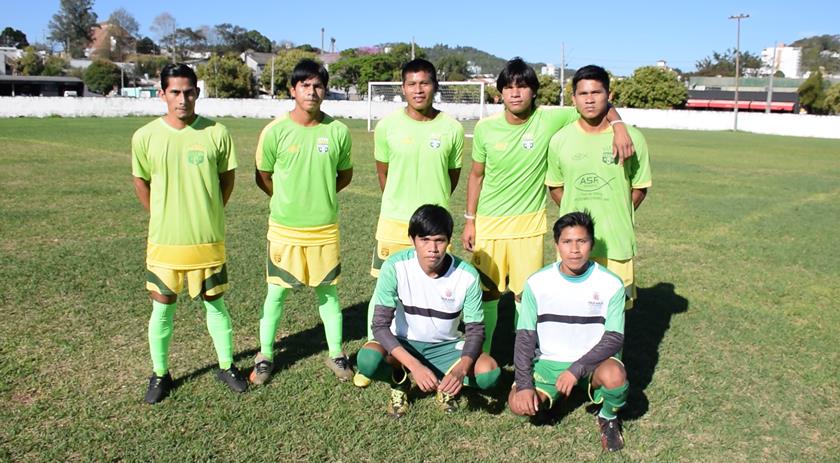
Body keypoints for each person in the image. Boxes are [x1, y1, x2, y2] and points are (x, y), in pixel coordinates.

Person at [462, 57, 635, 353]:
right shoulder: (485, 128)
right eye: (509, 87)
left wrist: (618, 125)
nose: (516, 93)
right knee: (485, 295)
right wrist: (470, 219)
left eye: (523, 86)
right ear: (499, 93)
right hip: (489, 226)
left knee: (524, 298)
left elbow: (594, 102)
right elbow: (476, 175)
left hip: (528, 228)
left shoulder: (550, 119)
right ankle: (479, 357)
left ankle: (524, 359)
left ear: (534, 91)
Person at [132, 63, 245, 404]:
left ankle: (226, 366)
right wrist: (162, 214)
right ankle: (160, 373)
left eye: (189, 92)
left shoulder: (217, 133)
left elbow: (227, 180)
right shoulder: (145, 136)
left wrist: (208, 210)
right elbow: (141, 181)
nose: (183, 99)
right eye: (175, 92)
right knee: (163, 308)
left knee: (216, 304)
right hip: (165, 242)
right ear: (162, 93)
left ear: (198, 92)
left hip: (207, 241)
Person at [354, 58, 464, 387]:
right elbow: (383, 173)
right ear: (402, 88)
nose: (418, 89)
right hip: (393, 222)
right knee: (383, 292)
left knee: (434, 290)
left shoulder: (452, 128)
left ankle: (437, 349)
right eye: (412, 84)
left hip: (433, 230)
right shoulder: (388, 126)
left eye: (425, 83)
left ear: (435, 86)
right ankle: (373, 352)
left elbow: (452, 177)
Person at [250, 59, 354, 385]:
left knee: (329, 295)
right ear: (293, 90)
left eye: (318, 85)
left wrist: (317, 197)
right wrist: (288, 199)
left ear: (325, 90)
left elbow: (344, 175)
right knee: (276, 294)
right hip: (285, 229)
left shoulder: (337, 131)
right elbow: (262, 176)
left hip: (324, 228)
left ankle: (336, 352)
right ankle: (265, 354)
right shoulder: (275, 131)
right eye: (305, 85)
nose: (312, 91)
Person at [356, 205, 500, 417]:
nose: (432, 248)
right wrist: (414, 367)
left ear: (448, 241)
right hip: (403, 343)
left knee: (490, 373)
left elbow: (476, 331)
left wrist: (460, 371)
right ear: (412, 239)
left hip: (445, 346)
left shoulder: (467, 276)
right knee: (368, 360)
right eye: (424, 240)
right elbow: (379, 326)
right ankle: (400, 381)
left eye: (439, 240)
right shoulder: (395, 266)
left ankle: (445, 382)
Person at [509, 211, 629, 452]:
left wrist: (576, 369)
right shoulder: (537, 283)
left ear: (591, 244)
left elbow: (614, 337)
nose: (575, 249)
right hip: (549, 362)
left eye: (581, 242)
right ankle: (553, 399)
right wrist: (523, 385)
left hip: (594, 362)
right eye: (567, 242)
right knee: (519, 405)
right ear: (557, 245)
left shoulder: (611, 284)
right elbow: (524, 337)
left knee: (615, 377)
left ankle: (608, 416)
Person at [546, 65, 651, 309]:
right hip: (575, 243)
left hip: (617, 243)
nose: (590, 99)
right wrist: (578, 215)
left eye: (597, 92)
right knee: (573, 312)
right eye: (583, 94)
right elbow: (555, 187)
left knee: (614, 317)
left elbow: (640, 187)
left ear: (609, 96)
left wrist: (617, 210)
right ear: (573, 99)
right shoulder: (560, 140)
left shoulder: (633, 138)